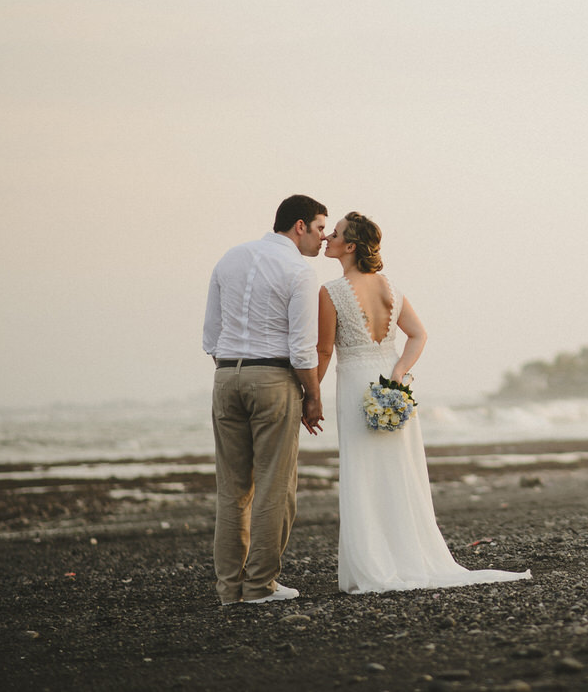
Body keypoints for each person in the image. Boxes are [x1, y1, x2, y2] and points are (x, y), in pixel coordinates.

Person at [317, 211, 531, 593]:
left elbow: (323, 349)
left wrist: (309, 395)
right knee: (400, 472)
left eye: (334, 234)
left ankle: (376, 563)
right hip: (390, 386)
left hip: (354, 385)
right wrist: (398, 373)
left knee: (363, 471)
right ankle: (407, 555)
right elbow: (418, 335)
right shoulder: (391, 288)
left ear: (350, 246)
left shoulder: (330, 292)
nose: (327, 239)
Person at [203, 194, 328, 605]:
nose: (322, 239)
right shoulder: (299, 271)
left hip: (226, 376)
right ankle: (259, 586)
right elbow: (303, 348)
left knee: (232, 490)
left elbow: (211, 333)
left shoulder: (230, 257)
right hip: (273, 377)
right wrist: (313, 396)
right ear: (299, 226)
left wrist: (232, 370)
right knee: (275, 486)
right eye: (319, 228)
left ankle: (228, 590)